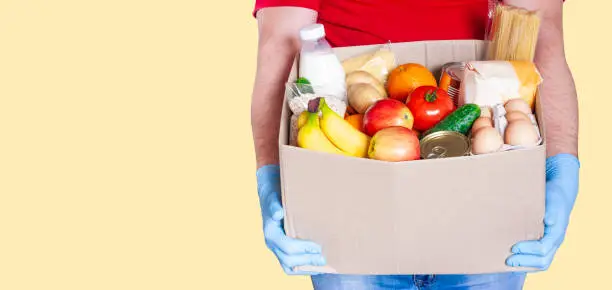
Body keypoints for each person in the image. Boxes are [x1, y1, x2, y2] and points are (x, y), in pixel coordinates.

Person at [251, 0, 580, 289]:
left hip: (483, 201)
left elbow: (542, 29)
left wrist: (560, 165)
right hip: (349, 198)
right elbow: (282, 42)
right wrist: (272, 179)